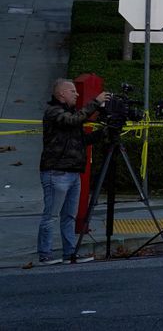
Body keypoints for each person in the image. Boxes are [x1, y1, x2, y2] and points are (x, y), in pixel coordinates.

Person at [38, 78, 109, 265]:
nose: (76, 94)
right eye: (72, 91)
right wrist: (95, 102)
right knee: (51, 215)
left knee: (69, 215)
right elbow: (71, 121)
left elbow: (81, 141)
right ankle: (45, 254)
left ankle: (70, 253)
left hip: (73, 173)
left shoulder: (70, 114)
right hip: (57, 172)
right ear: (61, 93)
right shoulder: (54, 112)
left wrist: (104, 132)